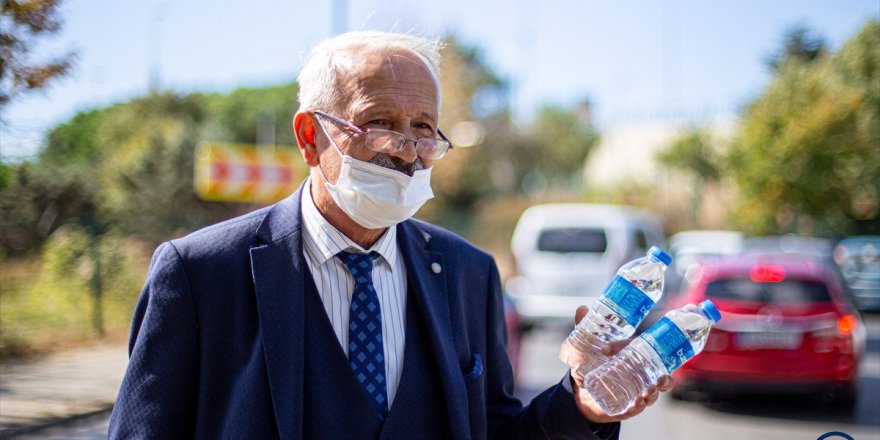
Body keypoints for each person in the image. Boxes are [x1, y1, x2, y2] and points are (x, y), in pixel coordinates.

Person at [108, 30, 672, 439]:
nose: (407, 150)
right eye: (379, 123)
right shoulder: (202, 273)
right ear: (310, 137)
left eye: (424, 128)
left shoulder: (468, 273)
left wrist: (582, 405)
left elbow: (497, 432)